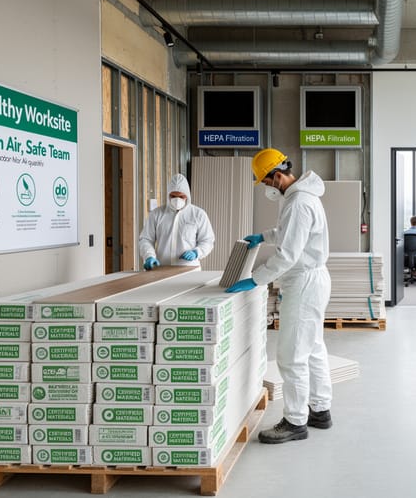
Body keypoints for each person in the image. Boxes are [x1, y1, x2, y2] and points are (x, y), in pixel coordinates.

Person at [226, 148, 333, 444]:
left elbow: (287, 253)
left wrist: (255, 280)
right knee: (312, 347)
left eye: (266, 182)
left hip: (304, 281)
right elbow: (290, 233)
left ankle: (296, 421)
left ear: (277, 176)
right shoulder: (301, 197)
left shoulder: (298, 202)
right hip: (313, 278)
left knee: (291, 354)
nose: (266, 188)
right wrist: (264, 235)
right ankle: (320, 410)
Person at [138, 173, 215, 270]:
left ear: (187, 196)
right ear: (168, 195)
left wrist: (196, 252)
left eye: (181, 196)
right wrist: (149, 256)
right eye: (173, 196)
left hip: (189, 269)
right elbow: (146, 239)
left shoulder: (198, 215)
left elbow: (207, 240)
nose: (177, 200)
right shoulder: (156, 214)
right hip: (162, 268)